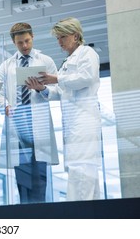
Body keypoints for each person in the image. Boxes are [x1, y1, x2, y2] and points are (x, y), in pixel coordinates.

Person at [27, 17, 102, 201]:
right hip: (73, 121)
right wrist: (42, 88)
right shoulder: (67, 62)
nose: (59, 42)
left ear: (75, 36)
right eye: (57, 38)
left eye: (62, 37)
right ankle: (91, 215)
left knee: (82, 169)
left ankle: (80, 216)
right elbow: (60, 92)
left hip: (84, 119)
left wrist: (57, 79)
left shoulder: (87, 53)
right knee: (79, 169)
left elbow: (87, 77)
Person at [0, 22, 59, 204]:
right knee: (22, 179)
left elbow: (59, 91)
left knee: (40, 179)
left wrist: (42, 89)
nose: (24, 46)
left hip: (37, 126)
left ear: (32, 37)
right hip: (18, 126)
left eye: (27, 41)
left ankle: (40, 215)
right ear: (13, 43)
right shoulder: (6, 66)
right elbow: (0, 93)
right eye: (20, 43)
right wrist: (5, 105)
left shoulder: (45, 61)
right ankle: (25, 214)